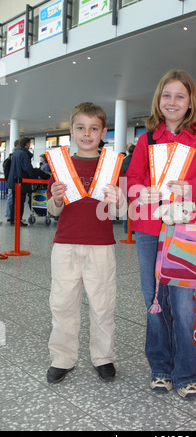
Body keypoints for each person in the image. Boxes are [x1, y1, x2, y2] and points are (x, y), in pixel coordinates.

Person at [126, 70, 196, 400]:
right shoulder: (146, 139)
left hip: (184, 232)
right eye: (166, 95)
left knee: (182, 303)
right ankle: (160, 369)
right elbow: (132, 182)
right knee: (153, 300)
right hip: (149, 229)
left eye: (180, 96)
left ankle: (186, 373)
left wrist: (190, 187)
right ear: (158, 100)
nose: (172, 102)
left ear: (190, 101)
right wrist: (142, 192)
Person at [46, 102, 126, 384]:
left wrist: (118, 201)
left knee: (103, 304)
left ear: (103, 132)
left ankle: (103, 357)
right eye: (80, 128)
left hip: (101, 245)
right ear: (71, 131)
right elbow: (54, 210)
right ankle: (62, 358)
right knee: (63, 303)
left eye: (94, 128)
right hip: (65, 244)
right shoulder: (61, 166)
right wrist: (55, 198)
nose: (87, 133)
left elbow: (120, 213)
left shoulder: (112, 166)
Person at [7, 137, 48, 226]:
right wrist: (35, 174)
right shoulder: (24, 154)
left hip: (14, 181)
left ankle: (13, 219)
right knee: (20, 202)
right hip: (21, 183)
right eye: (29, 143)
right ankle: (18, 220)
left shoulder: (16, 153)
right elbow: (27, 169)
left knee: (15, 202)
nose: (30, 145)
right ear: (27, 144)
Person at [4, 139, 19, 222]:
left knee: (11, 197)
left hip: (10, 179)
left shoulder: (12, 155)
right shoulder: (15, 155)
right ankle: (10, 215)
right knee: (11, 197)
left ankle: (9, 214)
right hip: (13, 180)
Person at [121, 144, 135, 232]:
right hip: (134, 185)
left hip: (123, 184)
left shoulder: (123, 160)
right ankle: (131, 227)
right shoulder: (138, 160)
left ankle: (126, 227)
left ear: (127, 150)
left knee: (126, 206)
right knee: (134, 206)